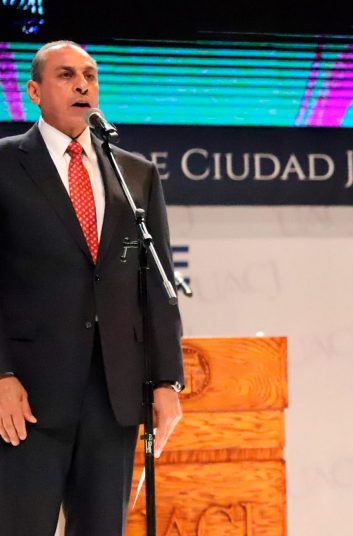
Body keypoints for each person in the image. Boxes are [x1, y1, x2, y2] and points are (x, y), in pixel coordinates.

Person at [0, 41, 184, 535]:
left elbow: (157, 281)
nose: (82, 85)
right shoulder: (6, 164)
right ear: (34, 91)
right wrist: (1, 376)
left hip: (113, 396)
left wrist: (166, 380)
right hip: (27, 398)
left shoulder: (134, 173)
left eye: (90, 75)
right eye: (66, 75)